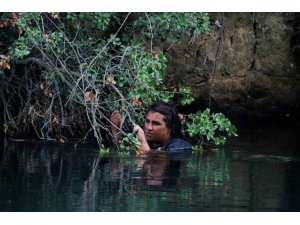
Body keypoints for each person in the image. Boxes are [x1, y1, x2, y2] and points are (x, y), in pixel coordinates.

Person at [110, 101, 192, 153]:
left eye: (156, 123)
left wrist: (142, 142)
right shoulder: (154, 143)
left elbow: (150, 158)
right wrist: (115, 132)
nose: (149, 127)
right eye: (147, 121)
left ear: (170, 128)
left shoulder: (179, 146)